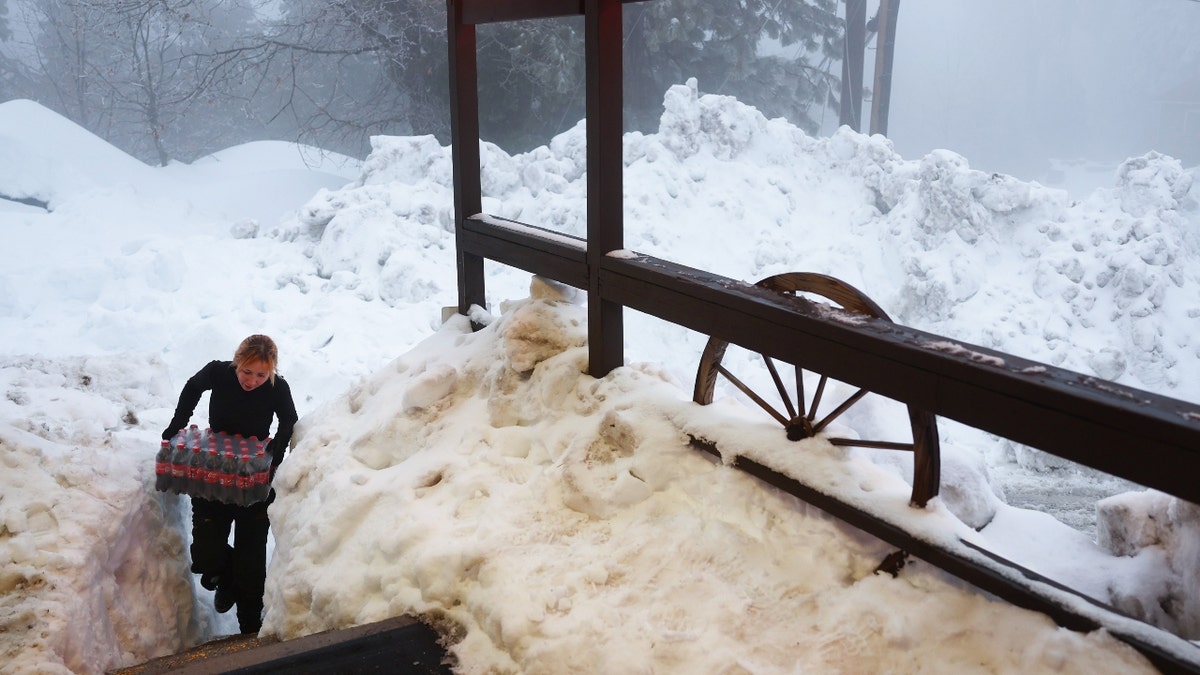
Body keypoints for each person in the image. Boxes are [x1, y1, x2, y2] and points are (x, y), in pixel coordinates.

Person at [162, 334, 298, 635]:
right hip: (216, 474)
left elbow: (289, 418)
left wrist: (276, 451)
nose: (252, 380)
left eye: (261, 375)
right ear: (237, 363)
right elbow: (193, 386)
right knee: (206, 557)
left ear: (271, 371)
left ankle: (251, 631)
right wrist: (178, 422)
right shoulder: (218, 372)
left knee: (251, 567)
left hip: (253, 482)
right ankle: (225, 579)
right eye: (246, 372)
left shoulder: (278, 387)